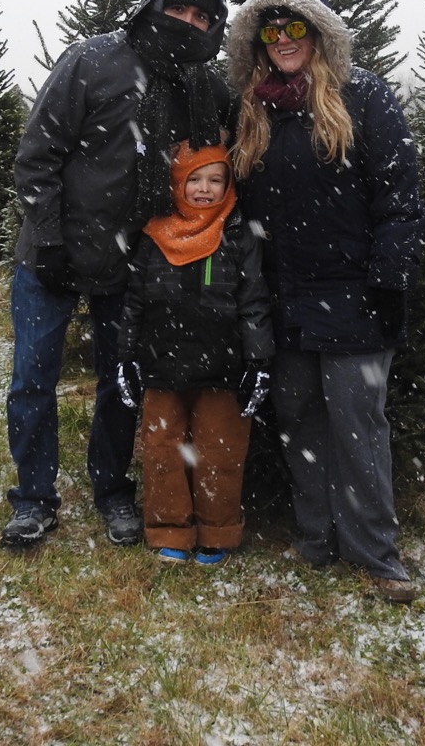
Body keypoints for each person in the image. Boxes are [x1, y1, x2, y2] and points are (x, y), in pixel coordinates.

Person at [0, 0, 231, 549]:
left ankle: (112, 490)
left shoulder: (201, 85)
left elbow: (228, 153)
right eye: (179, 7)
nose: (189, 22)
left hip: (131, 262)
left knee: (120, 380)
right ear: (154, 2)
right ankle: (33, 498)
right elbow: (37, 156)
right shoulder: (92, 60)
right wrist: (49, 239)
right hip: (50, 255)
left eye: (203, 16)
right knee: (33, 376)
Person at [225, 0, 425, 603]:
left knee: (357, 425)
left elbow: (399, 197)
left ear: (319, 32)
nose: (283, 39)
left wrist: (389, 280)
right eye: (272, 30)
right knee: (299, 420)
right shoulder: (254, 109)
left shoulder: (363, 97)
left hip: (353, 299)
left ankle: (376, 554)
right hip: (284, 301)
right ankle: (317, 537)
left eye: (296, 27)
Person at [117, 141, 273, 565]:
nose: (205, 189)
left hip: (223, 365)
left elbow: (253, 302)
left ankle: (217, 531)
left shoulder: (237, 235)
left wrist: (258, 362)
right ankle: (169, 528)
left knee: (220, 451)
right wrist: (126, 356)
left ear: (228, 185)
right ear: (176, 183)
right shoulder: (154, 234)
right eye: (195, 180)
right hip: (161, 362)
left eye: (215, 180)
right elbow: (134, 302)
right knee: (162, 449)